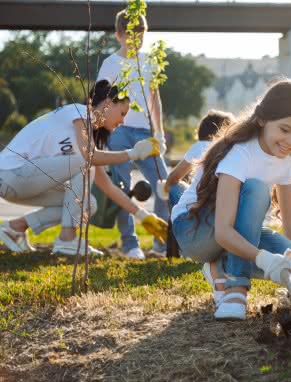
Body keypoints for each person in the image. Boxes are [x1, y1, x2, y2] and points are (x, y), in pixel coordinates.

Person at [172, 79, 291, 320]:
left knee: (289, 252)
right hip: (194, 230)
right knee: (255, 188)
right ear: (262, 119)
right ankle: (235, 289)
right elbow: (223, 232)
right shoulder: (240, 153)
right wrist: (264, 259)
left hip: (230, 232)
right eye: (285, 129)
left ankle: (219, 267)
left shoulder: (285, 160)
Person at [0, 80, 167, 256]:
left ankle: (15, 228)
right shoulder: (79, 111)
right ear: (109, 103)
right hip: (8, 174)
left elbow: (109, 188)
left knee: (88, 203)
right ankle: (67, 239)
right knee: (85, 163)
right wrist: (133, 153)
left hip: (20, 183)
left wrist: (143, 216)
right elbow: (89, 157)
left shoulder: (85, 143)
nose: (123, 121)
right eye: (123, 113)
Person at [97, 8, 168, 260]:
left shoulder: (150, 61)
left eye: (141, 34)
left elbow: (155, 98)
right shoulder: (110, 64)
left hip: (145, 131)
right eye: (130, 34)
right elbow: (101, 100)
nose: (136, 39)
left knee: (163, 184)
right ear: (118, 35)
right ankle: (130, 244)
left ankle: (161, 243)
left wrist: (159, 133)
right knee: (122, 187)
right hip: (117, 131)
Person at [156, 109, 235, 206]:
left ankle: (174, 218)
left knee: (174, 187)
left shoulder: (201, 145)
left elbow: (174, 177)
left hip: (198, 206)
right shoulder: (233, 149)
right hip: (223, 205)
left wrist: (164, 188)